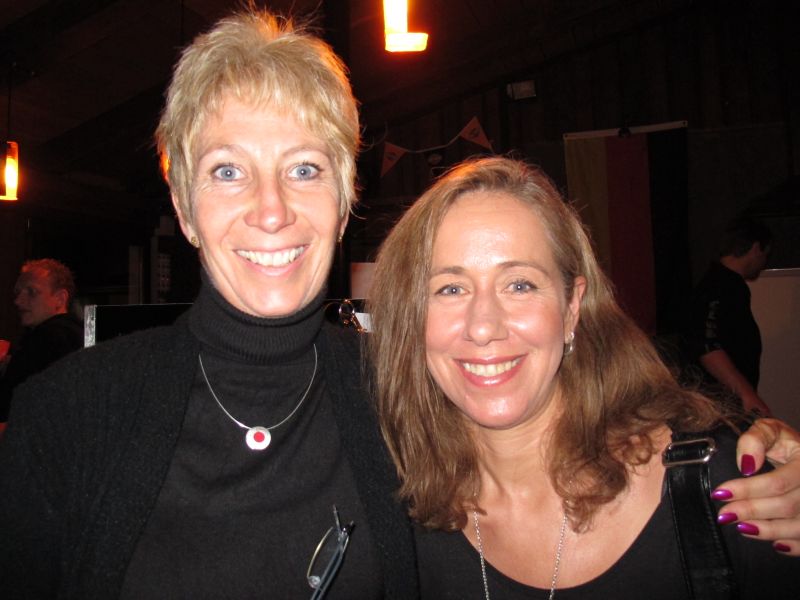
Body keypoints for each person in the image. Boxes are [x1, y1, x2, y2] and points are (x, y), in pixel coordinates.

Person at [0, 11, 416, 599]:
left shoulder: (405, 399)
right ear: (185, 209)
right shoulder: (64, 415)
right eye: (228, 171)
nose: (271, 210)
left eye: (304, 168)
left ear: (344, 201)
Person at [367, 157, 798, 599]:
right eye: (450, 289)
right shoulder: (393, 509)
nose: (483, 327)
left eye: (519, 285)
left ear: (572, 308)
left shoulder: (726, 486)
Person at [687, 216, 773, 415]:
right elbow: (705, 344)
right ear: (756, 248)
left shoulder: (723, 283)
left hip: (722, 402)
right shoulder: (720, 285)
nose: (764, 262)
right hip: (719, 405)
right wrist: (746, 394)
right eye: (766, 255)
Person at [0, 258, 83, 425]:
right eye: (17, 293)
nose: (18, 301)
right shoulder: (71, 334)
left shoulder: (51, 336)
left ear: (60, 298)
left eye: (31, 292)